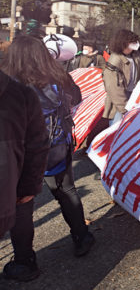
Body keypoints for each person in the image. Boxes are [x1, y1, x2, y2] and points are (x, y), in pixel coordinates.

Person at [1, 36, 94, 282]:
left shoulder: (9, 83)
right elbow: (77, 99)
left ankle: (25, 262)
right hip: (56, 145)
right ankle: (82, 237)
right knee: (66, 191)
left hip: (22, 152)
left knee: (22, 205)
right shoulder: (59, 76)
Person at [0, 69, 48, 244]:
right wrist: (28, 188)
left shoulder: (21, 92)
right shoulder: (21, 93)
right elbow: (37, 145)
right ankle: (25, 257)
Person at [102, 29, 140, 126]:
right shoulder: (114, 61)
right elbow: (114, 88)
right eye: (131, 43)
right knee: (117, 128)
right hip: (119, 104)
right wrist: (124, 109)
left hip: (133, 97)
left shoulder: (136, 56)